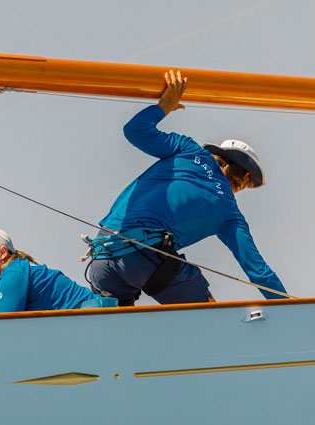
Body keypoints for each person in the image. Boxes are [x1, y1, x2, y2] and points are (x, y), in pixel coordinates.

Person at [86, 69, 287, 307]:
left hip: (101, 258)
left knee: (118, 327)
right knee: (208, 316)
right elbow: (258, 271)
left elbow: (134, 130)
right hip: (146, 259)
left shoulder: (188, 150)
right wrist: (290, 309)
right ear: (243, 176)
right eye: (245, 185)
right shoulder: (229, 212)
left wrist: (164, 106)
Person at [0, 228, 92, 313]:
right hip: (93, 318)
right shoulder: (19, 269)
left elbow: (6, 329)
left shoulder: (12, 274)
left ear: (2, 252)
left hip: (93, 318)